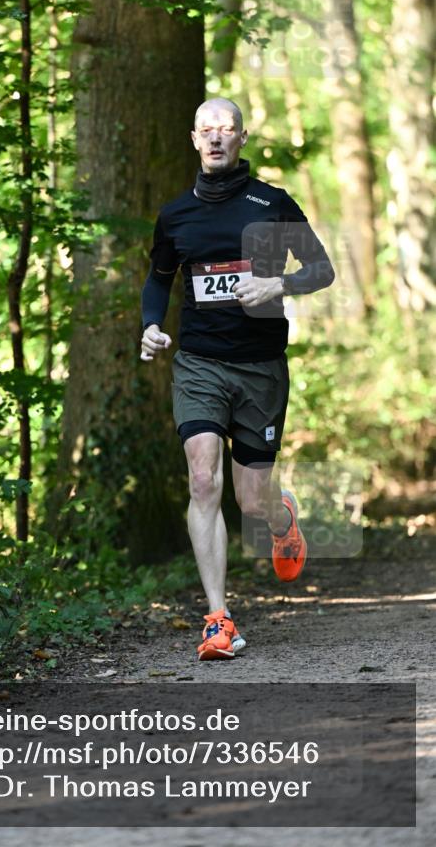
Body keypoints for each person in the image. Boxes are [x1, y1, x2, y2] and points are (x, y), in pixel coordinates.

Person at [140, 98, 335, 661]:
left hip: (260, 368)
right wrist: (152, 325)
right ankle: (218, 619)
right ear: (193, 139)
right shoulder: (176, 215)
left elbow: (321, 269)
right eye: (207, 130)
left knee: (251, 501)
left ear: (242, 137)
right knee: (203, 481)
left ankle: (281, 517)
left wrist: (280, 286)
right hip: (200, 362)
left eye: (226, 128)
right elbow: (158, 282)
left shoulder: (271, 204)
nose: (217, 138)